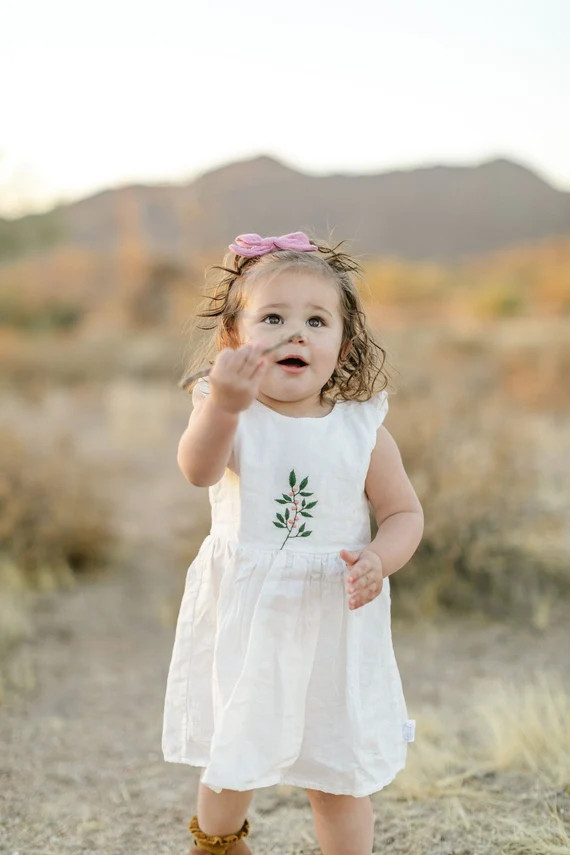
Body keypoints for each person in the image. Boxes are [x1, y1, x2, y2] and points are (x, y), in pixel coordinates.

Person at [162, 231, 424, 855]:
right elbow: (198, 470)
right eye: (273, 318)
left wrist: (379, 558)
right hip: (248, 619)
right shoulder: (229, 412)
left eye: (316, 320)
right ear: (235, 338)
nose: (295, 334)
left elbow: (404, 513)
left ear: (344, 343)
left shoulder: (362, 428)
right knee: (234, 759)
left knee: (337, 772)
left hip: (334, 619)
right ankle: (219, 844)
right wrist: (225, 407)